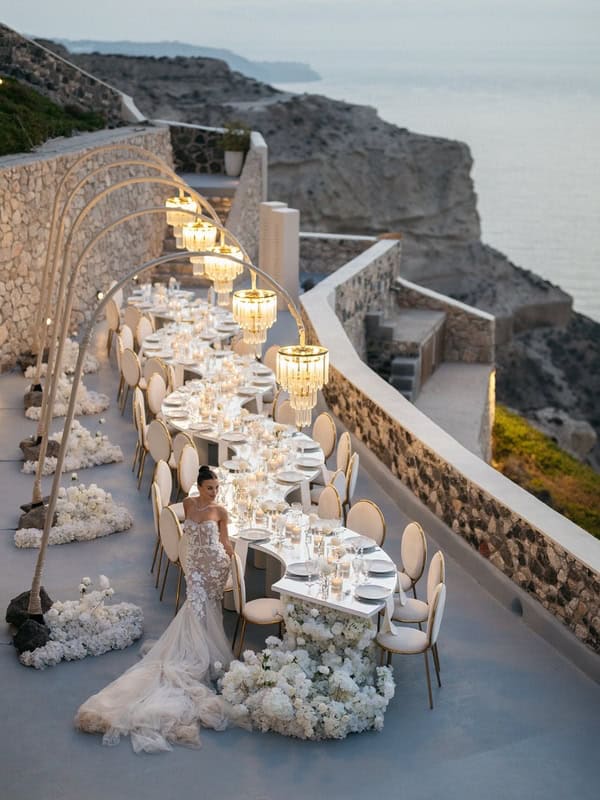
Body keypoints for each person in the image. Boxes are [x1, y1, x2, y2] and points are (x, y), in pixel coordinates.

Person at [75, 466, 235, 753]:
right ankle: (199, 649)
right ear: (198, 487)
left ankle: (204, 642)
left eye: (217, 488)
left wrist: (228, 557)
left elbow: (224, 544)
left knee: (206, 604)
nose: (214, 492)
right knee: (197, 604)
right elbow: (198, 538)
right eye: (210, 487)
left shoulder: (221, 512)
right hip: (196, 566)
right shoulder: (189, 504)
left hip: (213, 566)